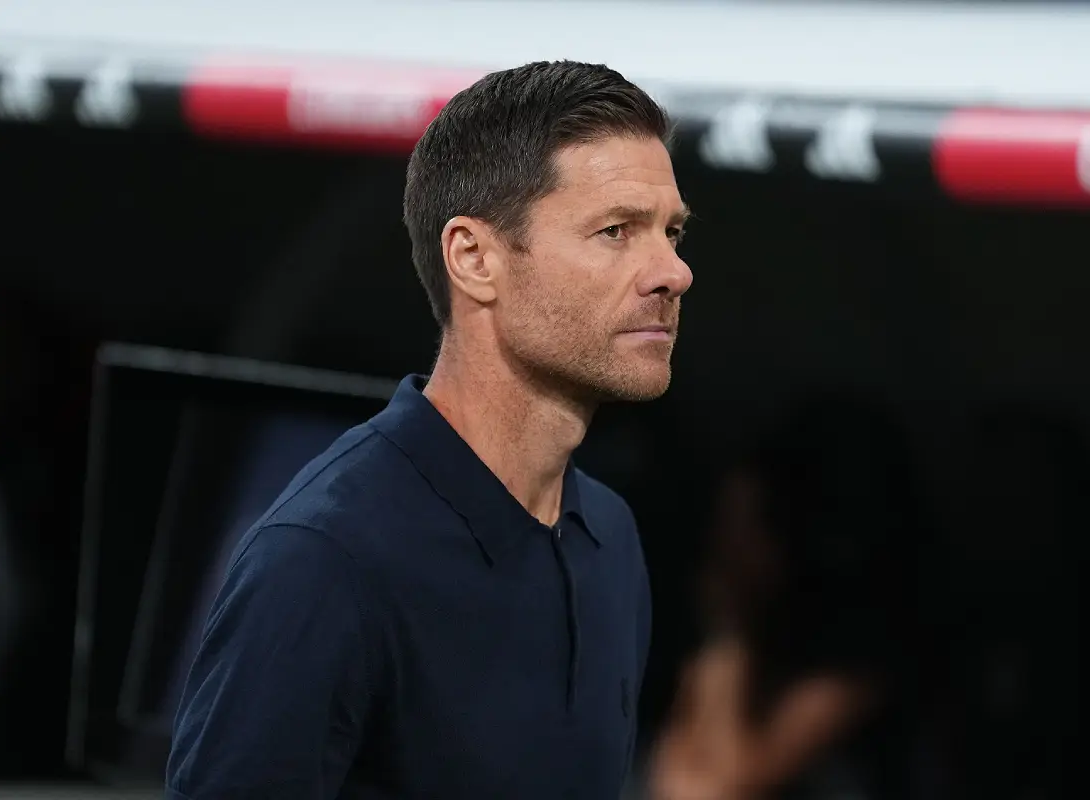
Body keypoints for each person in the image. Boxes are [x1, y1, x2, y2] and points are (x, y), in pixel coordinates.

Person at [165, 60, 692, 799]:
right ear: (474, 259)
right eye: (616, 231)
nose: (673, 271)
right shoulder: (324, 561)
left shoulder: (610, 535)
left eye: (671, 232)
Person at [650, 395, 928, 800]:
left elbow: (702, 789)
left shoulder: (852, 674)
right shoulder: (750, 651)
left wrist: (726, 633)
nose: (720, 552)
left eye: (740, 531)